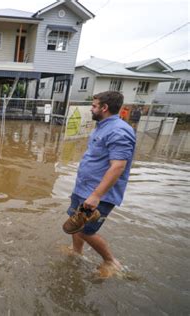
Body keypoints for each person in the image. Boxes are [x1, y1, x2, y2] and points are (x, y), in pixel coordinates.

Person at [64, 91, 136, 275]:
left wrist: (96, 195)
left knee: (86, 231)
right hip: (84, 187)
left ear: (104, 108)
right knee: (75, 223)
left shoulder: (119, 131)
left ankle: (110, 262)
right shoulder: (102, 126)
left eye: (94, 105)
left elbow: (118, 166)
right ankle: (76, 252)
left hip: (98, 193)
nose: (91, 108)